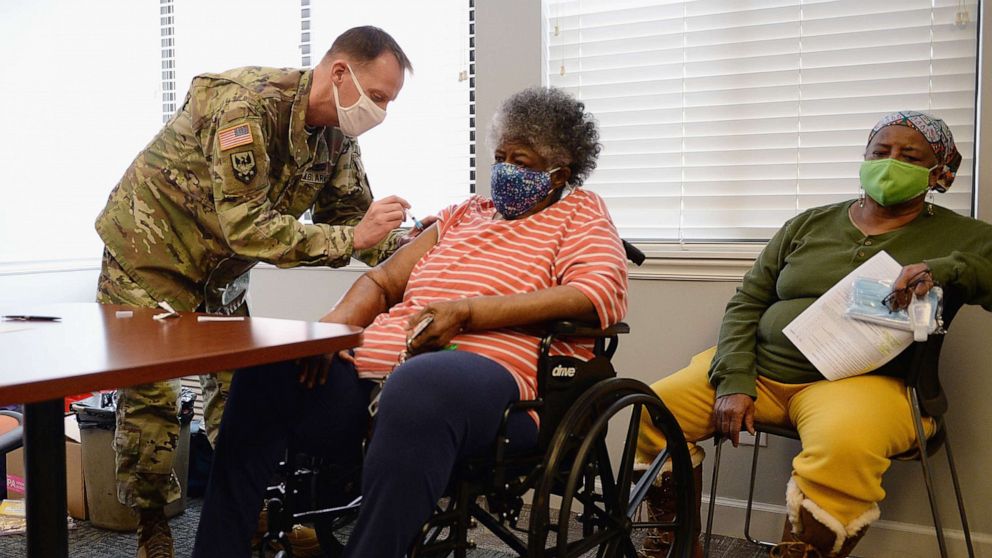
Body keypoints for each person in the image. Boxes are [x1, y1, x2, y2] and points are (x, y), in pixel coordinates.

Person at [191, 86, 629, 558]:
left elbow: (594, 293)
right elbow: (381, 282)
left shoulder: (580, 213)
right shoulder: (464, 214)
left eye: (520, 162)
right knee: (269, 365)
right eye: (499, 156)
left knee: (421, 382)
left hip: (492, 390)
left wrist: (466, 312)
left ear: (558, 172)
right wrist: (329, 330)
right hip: (375, 377)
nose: (503, 171)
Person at [94, 26, 421, 558]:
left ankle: (243, 512)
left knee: (239, 389)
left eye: (388, 102)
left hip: (220, 272)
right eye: (378, 97)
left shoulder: (337, 134)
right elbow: (247, 226)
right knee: (151, 397)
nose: (380, 111)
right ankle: (151, 526)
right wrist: (353, 237)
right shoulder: (245, 105)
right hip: (150, 250)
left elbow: (354, 222)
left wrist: (422, 247)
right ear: (340, 73)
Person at [635, 111, 992, 558]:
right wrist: (734, 381)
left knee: (843, 447)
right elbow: (747, 303)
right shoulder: (809, 224)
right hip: (762, 371)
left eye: (909, 155)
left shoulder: (963, 235)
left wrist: (948, 268)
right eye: (880, 152)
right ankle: (675, 542)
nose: (890, 162)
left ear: (938, 171)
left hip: (863, 384)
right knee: (651, 408)